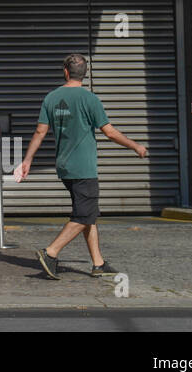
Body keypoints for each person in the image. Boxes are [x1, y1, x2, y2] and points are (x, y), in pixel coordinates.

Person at [13, 53, 148, 278]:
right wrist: (135, 146)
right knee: (85, 213)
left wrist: (27, 161)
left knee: (87, 214)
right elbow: (110, 132)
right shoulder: (90, 99)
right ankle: (51, 252)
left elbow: (40, 132)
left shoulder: (51, 98)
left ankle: (98, 262)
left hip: (64, 166)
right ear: (85, 74)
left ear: (66, 71)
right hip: (84, 167)